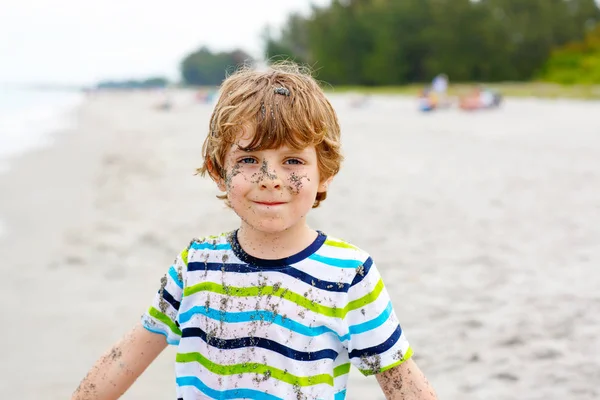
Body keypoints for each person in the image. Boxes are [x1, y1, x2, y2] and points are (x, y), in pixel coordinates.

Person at [71, 62, 438, 400]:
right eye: (248, 160)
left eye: (292, 160)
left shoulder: (348, 274)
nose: (270, 180)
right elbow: (127, 357)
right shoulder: (196, 264)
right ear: (219, 170)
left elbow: (401, 381)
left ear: (323, 171)